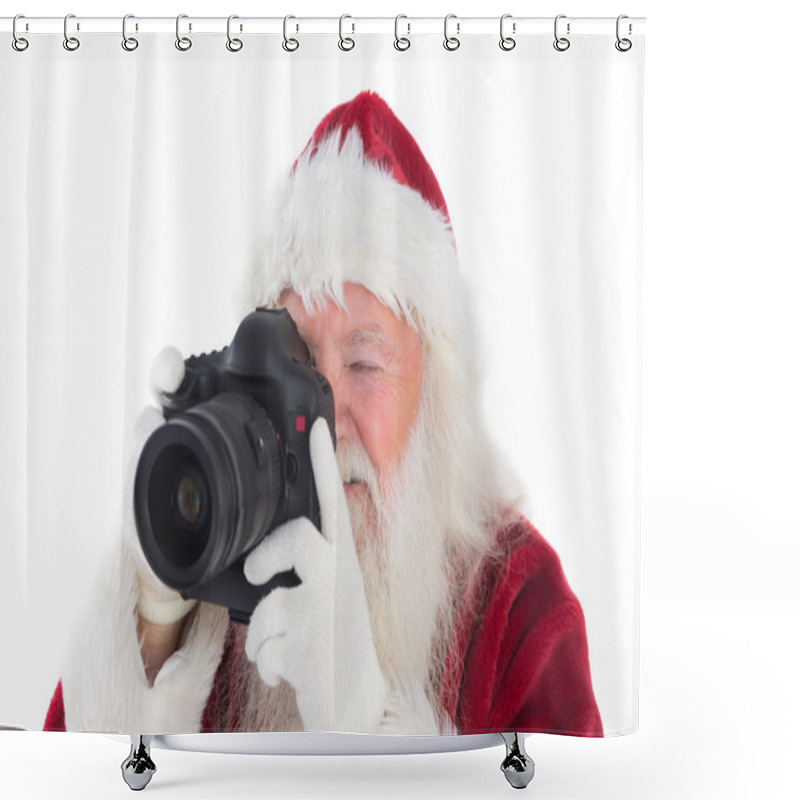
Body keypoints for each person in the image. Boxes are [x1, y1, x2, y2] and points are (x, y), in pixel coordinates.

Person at [44, 91, 602, 737]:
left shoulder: (519, 600)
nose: (325, 419)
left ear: (436, 398)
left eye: (364, 365)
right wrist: (151, 622)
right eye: (299, 364)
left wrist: (366, 724)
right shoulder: (220, 541)